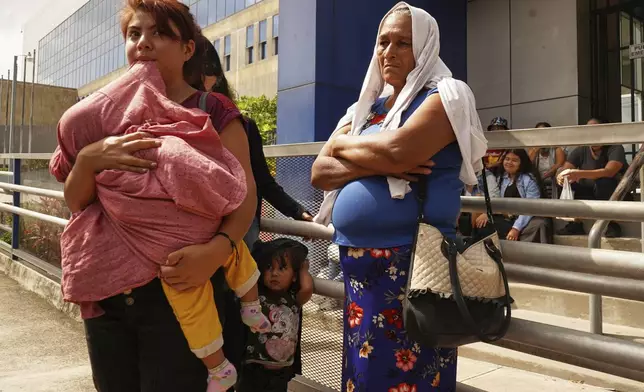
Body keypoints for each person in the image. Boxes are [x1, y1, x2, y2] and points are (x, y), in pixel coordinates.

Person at [49, 1, 261, 390]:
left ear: (187, 49)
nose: (144, 43)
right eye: (135, 34)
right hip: (107, 297)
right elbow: (77, 202)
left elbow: (243, 192)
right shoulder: (102, 115)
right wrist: (89, 161)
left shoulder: (212, 109)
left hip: (181, 291)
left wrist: (217, 250)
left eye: (160, 33)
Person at [311, 3, 488, 391]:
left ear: (424, 48)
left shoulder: (446, 95)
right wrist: (371, 160)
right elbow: (319, 173)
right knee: (365, 372)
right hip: (359, 269)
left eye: (402, 43)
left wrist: (344, 147)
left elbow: (398, 153)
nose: (388, 52)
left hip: (414, 267)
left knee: (412, 372)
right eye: (383, 42)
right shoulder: (365, 111)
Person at [197, 39, 312, 248]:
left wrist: (297, 211)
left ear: (214, 78)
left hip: (237, 234)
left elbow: (261, 180)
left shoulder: (242, 125)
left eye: (201, 70)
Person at [236, 238, 312, 392]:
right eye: (269, 268)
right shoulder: (256, 294)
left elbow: (307, 289)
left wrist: (304, 269)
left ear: (294, 276)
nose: (274, 273)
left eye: (282, 268)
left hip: (280, 371)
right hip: (252, 367)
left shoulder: (293, 298)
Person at [556, 117, 626, 237]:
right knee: (565, 182)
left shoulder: (615, 148)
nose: (592, 136)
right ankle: (575, 224)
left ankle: (611, 223)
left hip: (612, 194)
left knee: (605, 182)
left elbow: (609, 171)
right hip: (589, 191)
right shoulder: (580, 150)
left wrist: (579, 173)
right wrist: (561, 175)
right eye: (589, 132)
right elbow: (565, 168)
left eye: (596, 131)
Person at [473, 149, 550, 243]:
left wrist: (516, 228)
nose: (509, 162)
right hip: (508, 218)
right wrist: (488, 214)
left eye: (514, 160)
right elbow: (496, 201)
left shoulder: (529, 179)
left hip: (527, 218)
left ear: (522, 163)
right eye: (507, 159)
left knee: (538, 225)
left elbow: (530, 207)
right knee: (483, 223)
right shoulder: (501, 177)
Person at [528, 122, 566, 198]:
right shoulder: (532, 149)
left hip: (553, 181)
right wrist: (535, 150)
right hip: (536, 182)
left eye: (543, 133)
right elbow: (528, 164)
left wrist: (543, 177)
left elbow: (559, 165)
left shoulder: (557, 149)